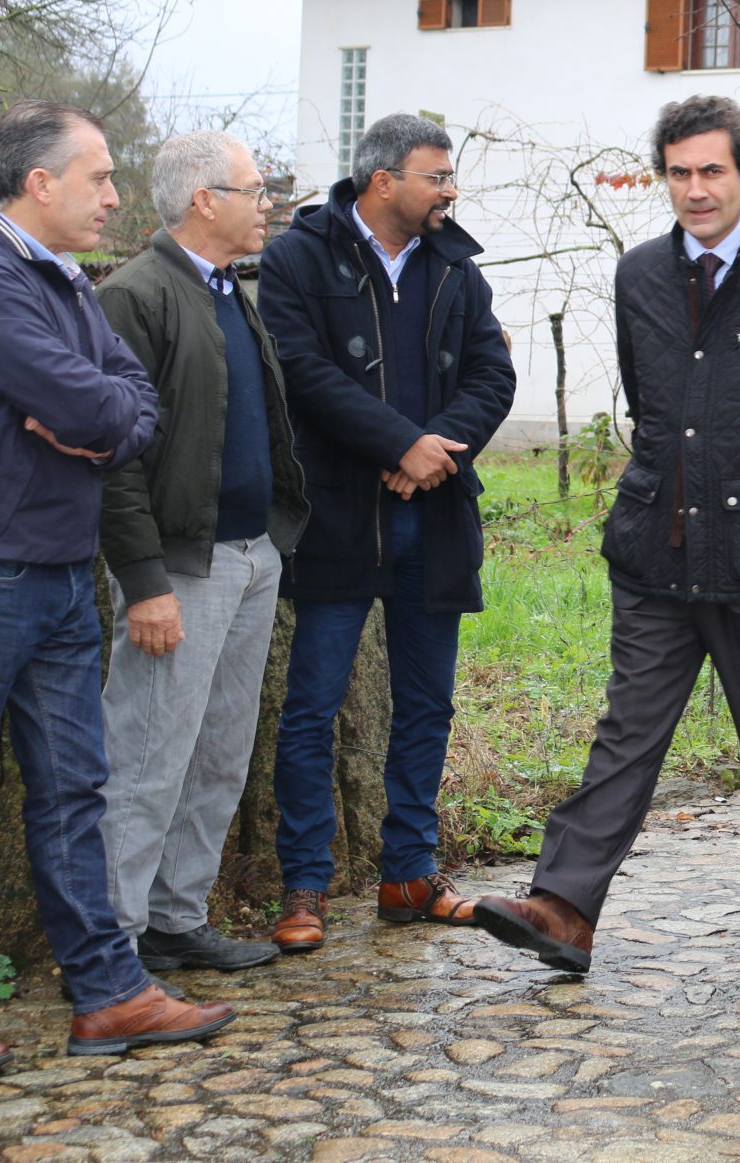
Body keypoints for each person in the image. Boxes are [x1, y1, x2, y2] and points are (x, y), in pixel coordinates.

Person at [475, 96, 740, 970]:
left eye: (712, 171)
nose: (696, 189)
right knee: (629, 726)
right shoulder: (639, 274)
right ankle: (564, 905)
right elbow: (651, 400)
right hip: (658, 542)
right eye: (680, 172)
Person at [0, 100, 234, 1059]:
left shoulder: (60, 282)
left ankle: (108, 993)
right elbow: (86, 398)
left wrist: (99, 419)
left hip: (58, 574)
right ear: (39, 182)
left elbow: (129, 404)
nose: (115, 195)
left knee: (73, 790)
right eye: (98, 176)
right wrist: (98, 413)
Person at [257, 113, 516, 953]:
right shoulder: (301, 255)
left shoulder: (455, 265)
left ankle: (408, 871)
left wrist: (432, 451)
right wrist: (394, 441)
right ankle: (305, 885)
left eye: (450, 176)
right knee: (313, 709)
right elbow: (301, 370)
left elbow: (493, 371)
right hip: (337, 514)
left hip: (434, 516)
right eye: (436, 176)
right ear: (382, 181)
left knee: (427, 703)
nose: (451, 190)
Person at [95, 133, 310, 976]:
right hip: (180, 568)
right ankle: (110, 939)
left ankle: (174, 917)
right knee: (147, 754)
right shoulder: (135, 295)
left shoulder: (229, 289)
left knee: (220, 751)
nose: (269, 205)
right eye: (255, 190)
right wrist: (144, 582)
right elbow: (114, 456)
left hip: (253, 555)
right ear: (202, 200)